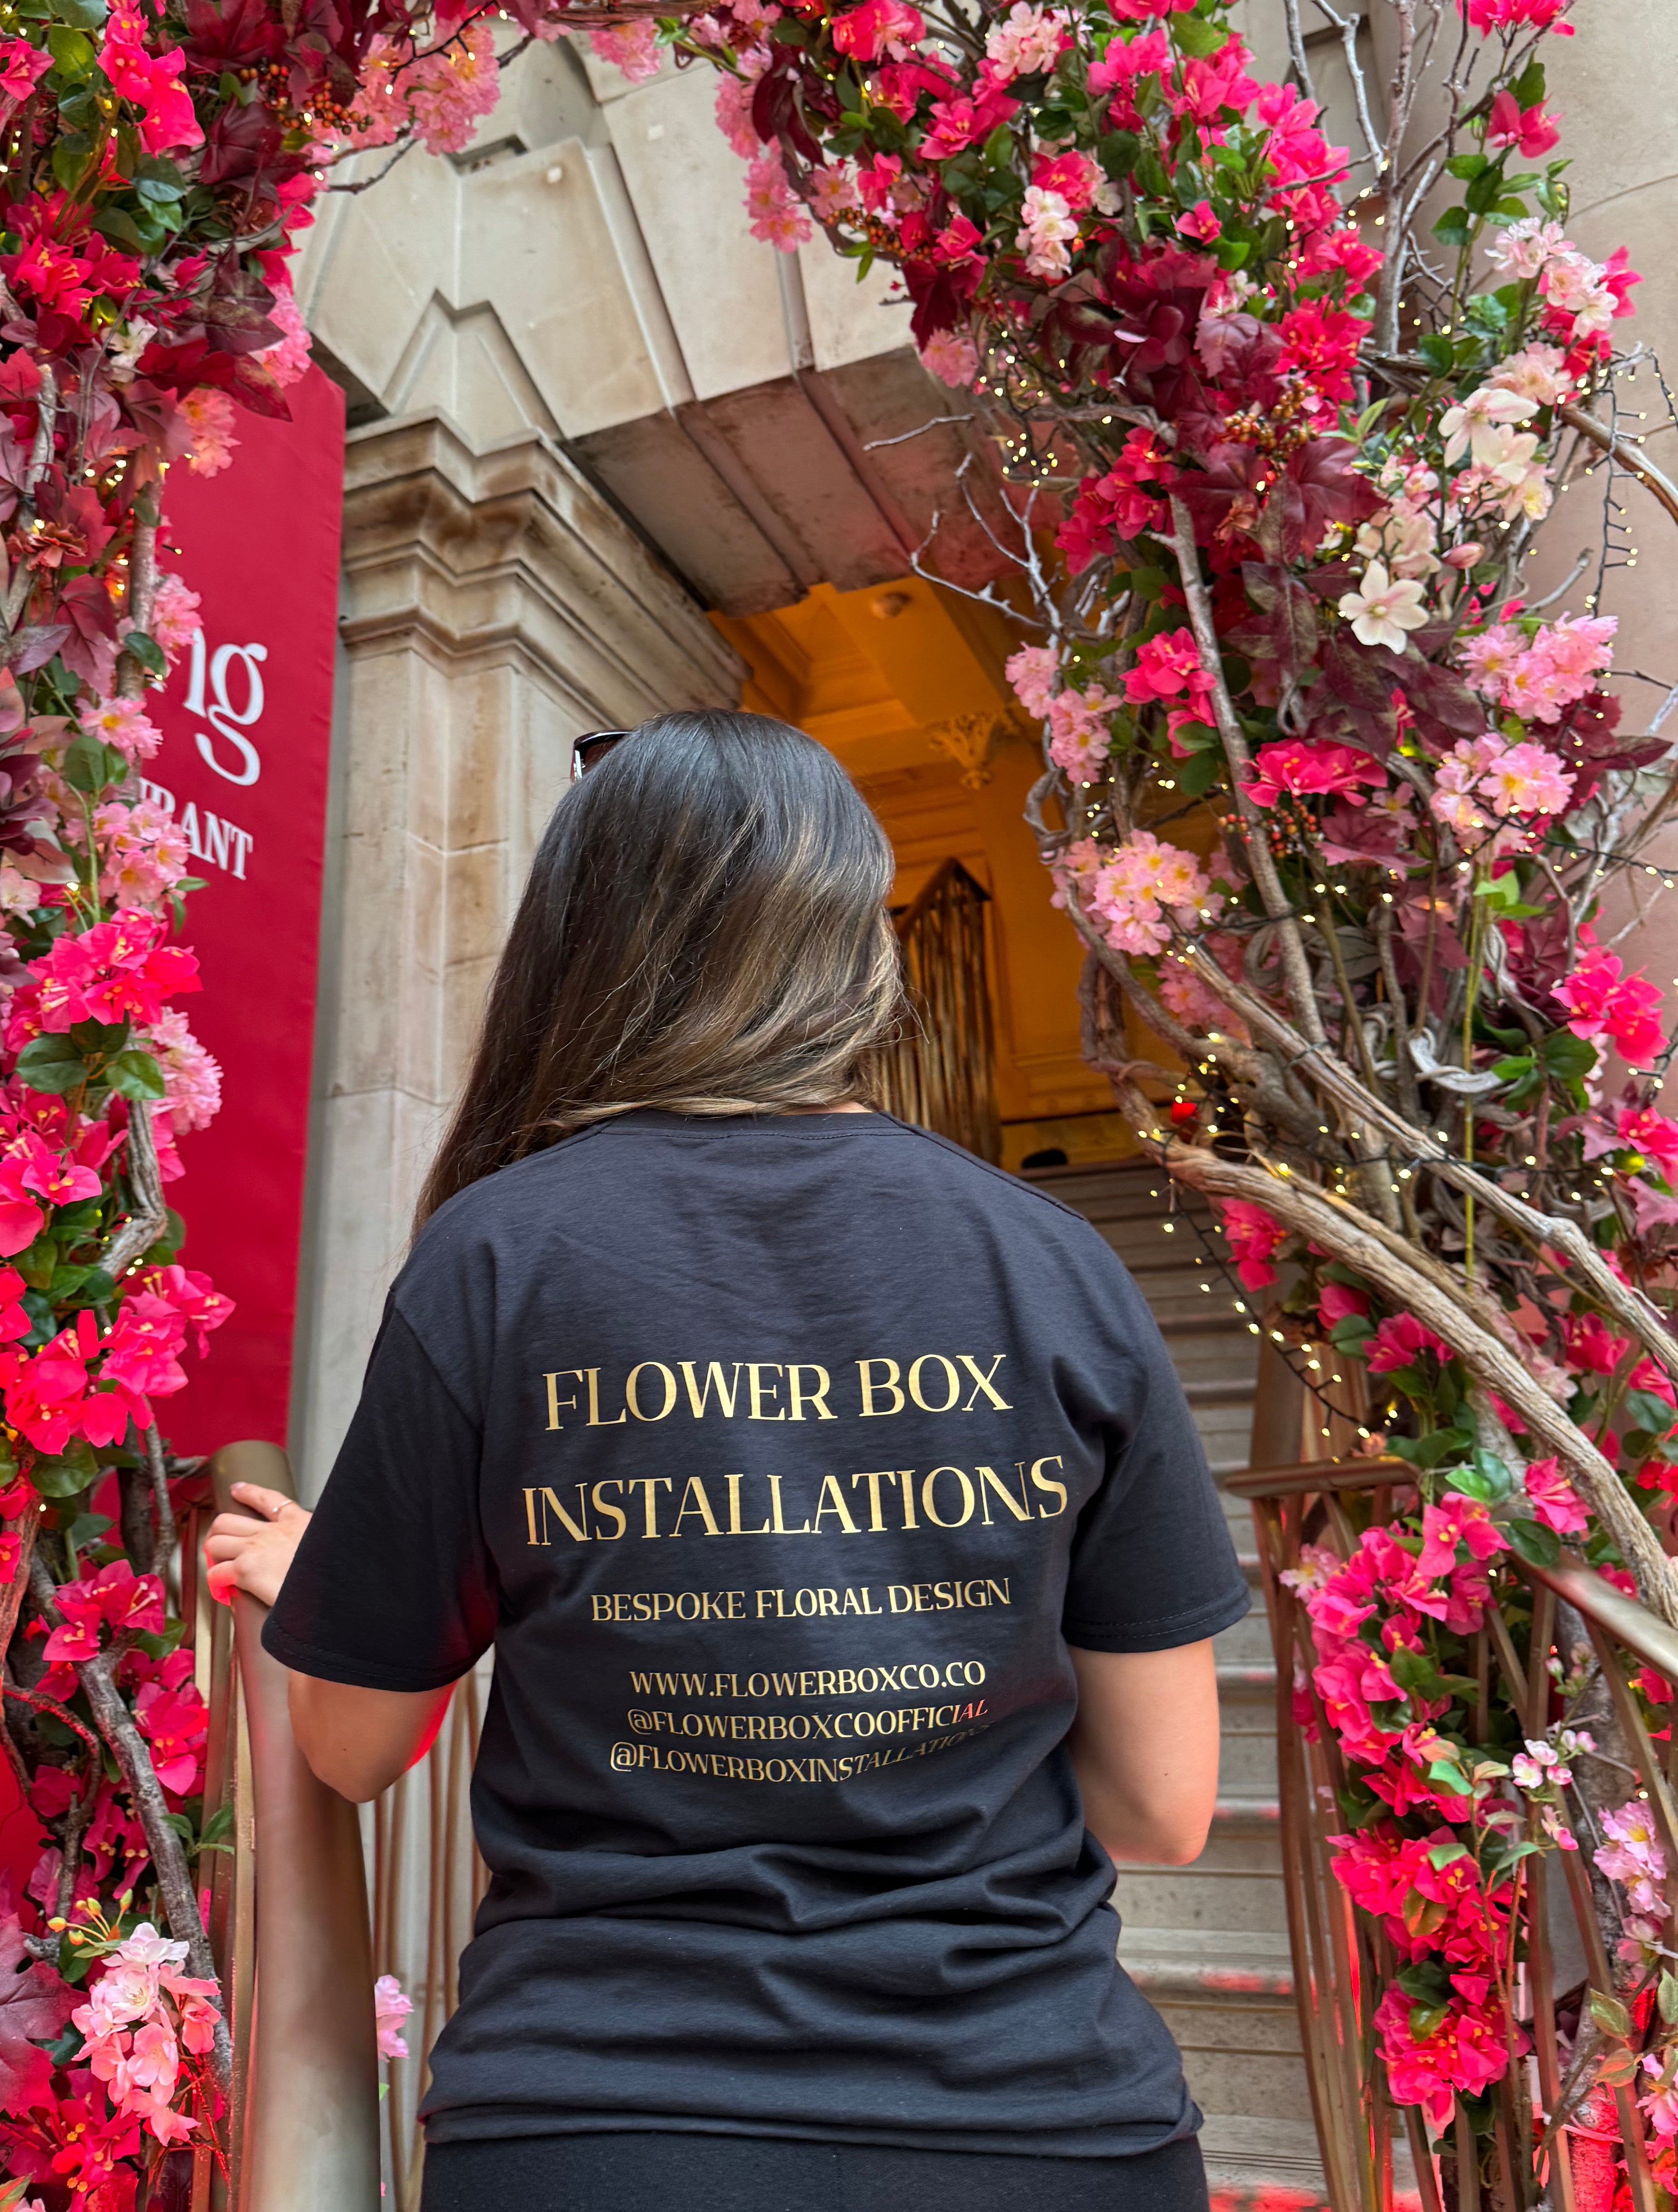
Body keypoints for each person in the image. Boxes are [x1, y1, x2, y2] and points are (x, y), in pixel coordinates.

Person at [204, 709, 1249, 2212]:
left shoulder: (496, 1259)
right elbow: (1160, 1804)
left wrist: (332, 1578)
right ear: (854, 941)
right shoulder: (1053, 1265)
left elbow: (354, 1747)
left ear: (583, 940)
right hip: (1039, 2121)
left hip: (603, 2121)